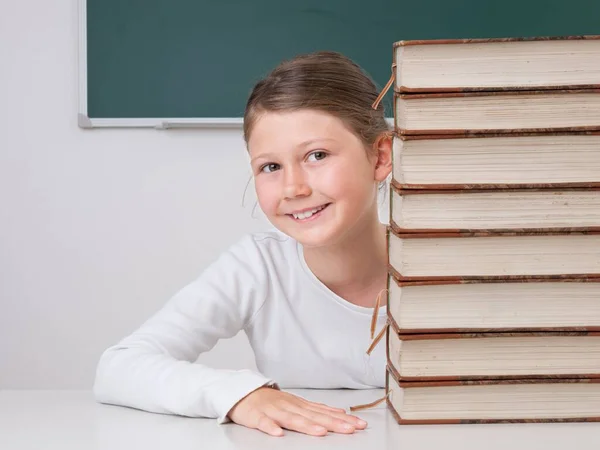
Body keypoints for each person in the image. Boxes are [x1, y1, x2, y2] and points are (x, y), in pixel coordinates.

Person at [93, 50, 393, 437]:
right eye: (271, 167)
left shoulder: (451, 263)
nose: (293, 188)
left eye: (317, 155)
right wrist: (240, 393)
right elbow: (118, 367)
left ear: (380, 157)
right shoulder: (257, 267)